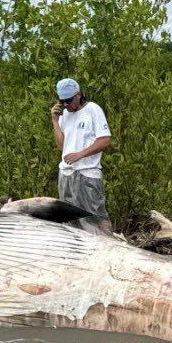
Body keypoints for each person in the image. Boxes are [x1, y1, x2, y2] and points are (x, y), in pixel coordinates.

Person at [50, 78, 112, 231]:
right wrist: (55, 121)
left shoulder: (92, 109)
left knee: (94, 219)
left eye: (69, 100)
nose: (66, 105)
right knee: (70, 222)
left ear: (78, 95)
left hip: (87, 173)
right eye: (62, 101)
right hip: (66, 174)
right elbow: (61, 146)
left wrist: (81, 154)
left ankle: (106, 248)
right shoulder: (64, 114)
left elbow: (105, 140)